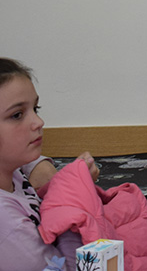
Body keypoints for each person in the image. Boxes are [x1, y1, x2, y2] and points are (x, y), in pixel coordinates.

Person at [0, 58, 98, 271]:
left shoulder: (12, 170)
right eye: (17, 115)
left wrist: (39, 165)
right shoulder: (8, 226)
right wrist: (74, 198)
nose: (39, 122)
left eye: (36, 108)